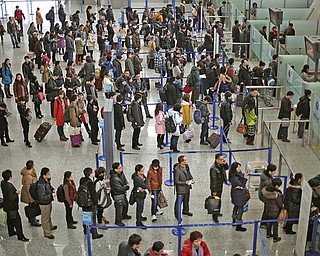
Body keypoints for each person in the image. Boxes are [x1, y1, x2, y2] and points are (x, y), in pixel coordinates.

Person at [1, 169, 29, 242]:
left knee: (9, 219)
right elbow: (11, 198)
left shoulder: (2, 182)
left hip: (6, 205)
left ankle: (11, 232)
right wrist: (16, 193)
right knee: (17, 222)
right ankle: (21, 236)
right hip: (12, 207)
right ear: (10, 177)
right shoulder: (9, 186)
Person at [79, 167, 103, 239]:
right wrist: (96, 202)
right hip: (90, 203)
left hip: (84, 202)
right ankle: (94, 234)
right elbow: (93, 194)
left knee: (86, 215)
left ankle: (86, 230)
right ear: (90, 174)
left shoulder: (82, 180)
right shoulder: (90, 183)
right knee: (93, 219)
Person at [262, 178, 284, 243]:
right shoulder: (276, 194)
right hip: (275, 211)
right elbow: (280, 203)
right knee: (275, 224)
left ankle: (268, 234)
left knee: (269, 222)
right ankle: (275, 237)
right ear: (277, 185)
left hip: (268, 209)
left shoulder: (266, 190)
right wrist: (283, 206)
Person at [37, 167, 57, 239]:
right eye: (48, 174)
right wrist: (51, 195)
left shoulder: (46, 181)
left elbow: (49, 187)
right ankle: (47, 233)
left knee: (48, 215)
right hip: (44, 204)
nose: (50, 175)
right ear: (44, 175)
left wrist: (52, 189)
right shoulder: (41, 185)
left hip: (48, 202)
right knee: (45, 218)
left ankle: (50, 226)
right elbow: (42, 197)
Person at [20, 160, 41, 227]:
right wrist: (31, 198)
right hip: (29, 193)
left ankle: (31, 218)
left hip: (29, 192)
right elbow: (29, 188)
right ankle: (33, 221)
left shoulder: (29, 172)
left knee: (31, 206)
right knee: (32, 206)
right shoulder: (28, 177)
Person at [229, 162, 249, 231]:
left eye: (240, 167)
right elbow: (241, 184)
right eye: (237, 167)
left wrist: (243, 176)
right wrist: (245, 178)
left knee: (236, 206)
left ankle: (234, 220)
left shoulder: (237, 174)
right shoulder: (234, 177)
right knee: (240, 209)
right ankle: (238, 225)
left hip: (236, 194)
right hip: (238, 195)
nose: (239, 169)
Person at [110, 162, 131, 226]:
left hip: (123, 194)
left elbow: (125, 180)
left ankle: (124, 215)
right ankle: (118, 220)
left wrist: (125, 185)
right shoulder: (114, 178)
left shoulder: (121, 173)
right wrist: (126, 187)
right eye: (119, 168)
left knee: (126, 205)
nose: (121, 169)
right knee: (119, 208)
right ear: (115, 169)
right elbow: (118, 189)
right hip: (118, 195)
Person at [209, 153, 229, 223]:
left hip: (220, 185)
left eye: (222, 159)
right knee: (215, 202)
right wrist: (214, 190)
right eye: (220, 159)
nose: (222, 161)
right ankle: (214, 216)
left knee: (219, 200)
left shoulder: (221, 165)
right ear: (216, 160)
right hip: (216, 187)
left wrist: (225, 163)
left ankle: (217, 212)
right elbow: (213, 180)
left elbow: (227, 168)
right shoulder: (213, 168)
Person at [174, 155, 194, 220]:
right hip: (181, 189)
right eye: (185, 160)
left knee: (186, 200)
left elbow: (188, 173)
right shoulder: (177, 170)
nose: (186, 161)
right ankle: (177, 214)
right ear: (181, 162)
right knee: (179, 202)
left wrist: (191, 179)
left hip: (187, 187)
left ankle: (185, 210)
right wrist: (185, 182)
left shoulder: (186, 166)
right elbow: (176, 181)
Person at [258, 164, 277, 228]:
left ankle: (265, 222)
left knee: (267, 208)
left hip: (263, 194)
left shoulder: (266, 175)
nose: (275, 172)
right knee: (267, 209)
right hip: (265, 196)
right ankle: (263, 223)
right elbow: (270, 188)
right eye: (274, 171)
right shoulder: (266, 180)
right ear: (270, 171)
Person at [132, 164, 148, 228]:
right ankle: (138, 222)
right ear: (137, 172)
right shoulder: (137, 179)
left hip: (142, 194)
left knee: (141, 207)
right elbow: (145, 185)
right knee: (139, 208)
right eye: (141, 171)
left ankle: (140, 217)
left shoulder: (141, 176)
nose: (143, 172)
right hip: (138, 195)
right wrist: (145, 181)